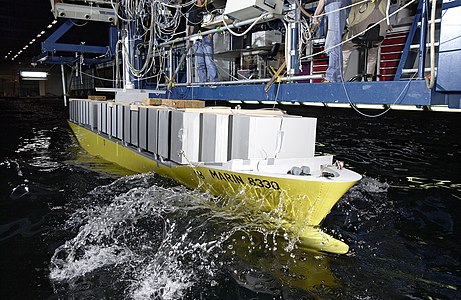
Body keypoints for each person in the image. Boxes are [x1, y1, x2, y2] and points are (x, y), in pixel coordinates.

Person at [342, 0, 389, 79]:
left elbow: (350, 20)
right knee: (373, 51)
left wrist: (349, 27)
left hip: (361, 30)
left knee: (345, 48)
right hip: (381, 31)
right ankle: (368, 79)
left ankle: (340, 78)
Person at [313, 0, 352, 82]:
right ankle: (336, 77)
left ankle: (333, 77)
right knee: (333, 40)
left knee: (334, 40)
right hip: (336, 3)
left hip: (335, 3)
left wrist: (316, 13)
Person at [187, 0, 218, 82]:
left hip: (206, 37)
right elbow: (190, 27)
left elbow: (216, 20)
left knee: (209, 62)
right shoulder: (192, 9)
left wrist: (212, 33)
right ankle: (202, 83)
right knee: (200, 64)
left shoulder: (210, 7)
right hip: (196, 39)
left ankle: (214, 83)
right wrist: (189, 39)